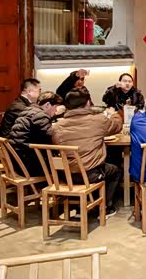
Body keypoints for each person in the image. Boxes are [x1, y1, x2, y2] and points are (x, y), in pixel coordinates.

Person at [51, 87, 122, 217]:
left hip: (66, 174)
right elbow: (116, 126)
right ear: (88, 103)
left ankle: (80, 206)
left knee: (91, 165)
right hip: (91, 174)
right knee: (115, 171)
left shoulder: (58, 126)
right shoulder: (98, 120)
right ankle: (105, 208)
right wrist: (114, 114)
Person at [8, 91, 63, 176]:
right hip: (28, 165)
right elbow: (51, 138)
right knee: (64, 165)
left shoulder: (28, 110)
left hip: (16, 160)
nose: (56, 111)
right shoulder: (40, 116)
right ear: (47, 105)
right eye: (55, 107)